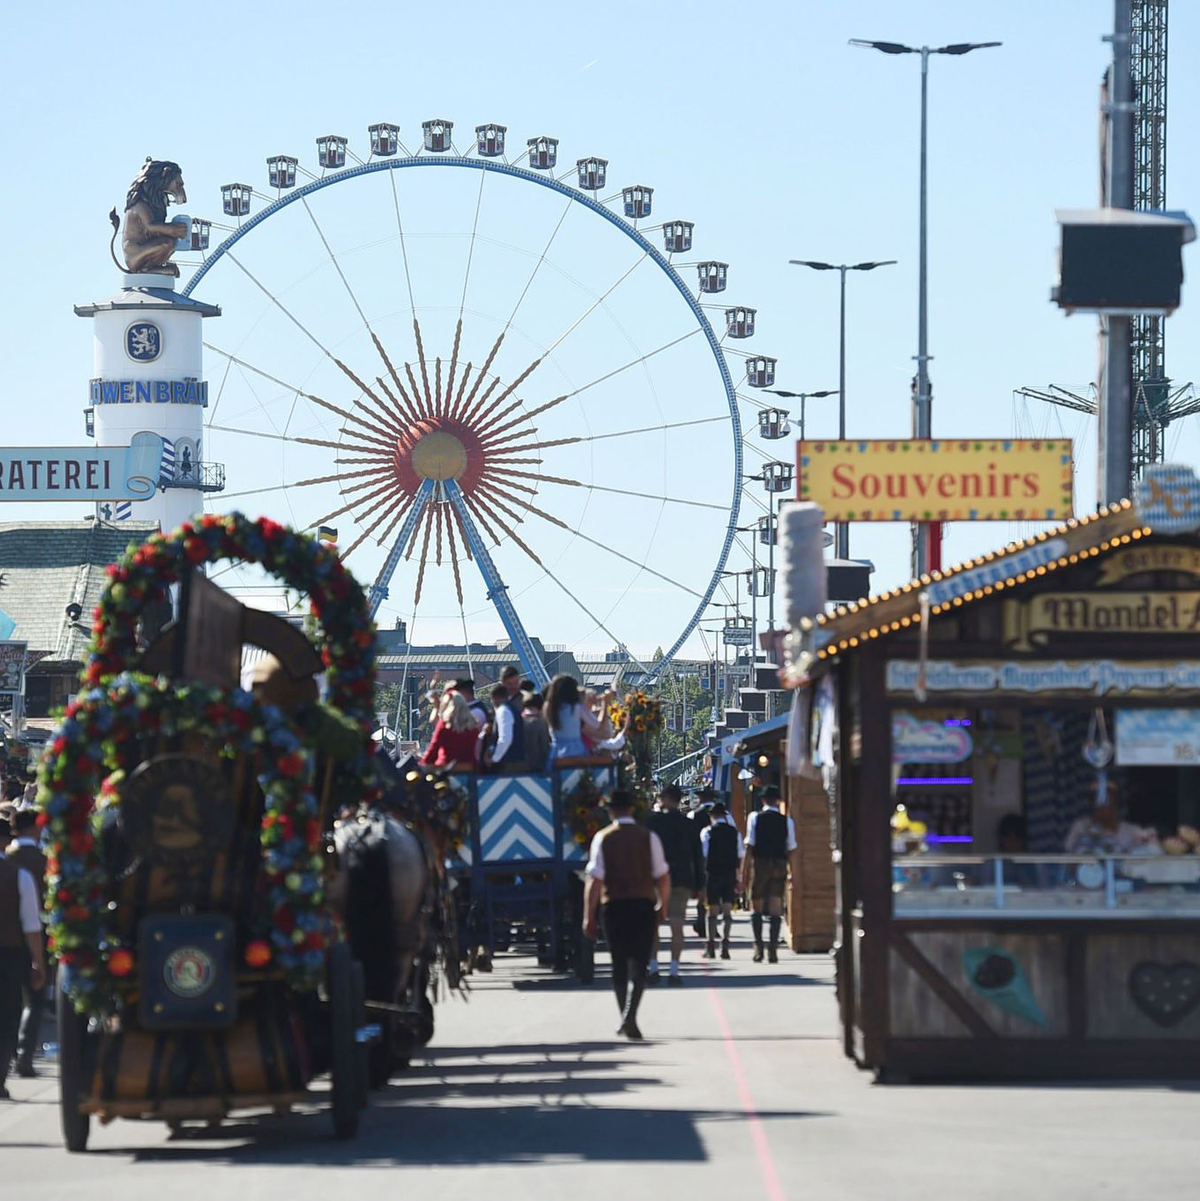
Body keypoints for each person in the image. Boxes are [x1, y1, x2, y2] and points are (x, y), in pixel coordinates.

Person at [583, 789, 669, 1040]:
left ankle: (626, 1017)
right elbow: (662, 875)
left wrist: (589, 914)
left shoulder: (603, 837)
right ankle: (630, 1018)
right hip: (643, 905)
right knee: (639, 962)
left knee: (618, 962)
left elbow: (594, 880)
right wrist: (662, 905)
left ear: (610, 811)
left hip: (614, 906)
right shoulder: (648, 837)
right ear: (632, 809)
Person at [645, 784, 705, 986]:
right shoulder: (689, 825)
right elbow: (698, 857)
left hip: (655, 878)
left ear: (667, 798)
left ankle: (653, 968)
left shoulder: (651, 823)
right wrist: (699, 884)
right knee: (677, 924)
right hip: (682, 879)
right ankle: (674, 971)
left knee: (653, 924)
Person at [0, 844, 46, 1099]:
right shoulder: (19, 875)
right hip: (9, 954)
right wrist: (38, 961)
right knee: (7, 1017)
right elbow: (31, 924)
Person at [742, 785, 797, 963]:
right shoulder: (786, 821)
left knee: (756, 904)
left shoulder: (755, 817)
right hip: (779, 864)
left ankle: (759, 947)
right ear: (778, 800)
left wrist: (743, 873)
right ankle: (773, 949)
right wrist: (792, 873)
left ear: (763, 800)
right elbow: (791, 848)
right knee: (775, 904)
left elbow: (750, 845)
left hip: (760, 863)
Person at [701, 801, 744, 959]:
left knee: (712, 911)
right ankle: (725, 945)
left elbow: (704, 855)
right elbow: (740, 855)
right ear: (724, 816)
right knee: (727, 909)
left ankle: (710, 945)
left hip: (713, 874)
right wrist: (739, 877)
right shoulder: (734, 833)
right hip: (729, 874)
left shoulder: (707, 832)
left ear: (712, 816)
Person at [1065, 778, 1147, 854]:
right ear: (1092, 804)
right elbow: (1069, 854)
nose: (1105, 808)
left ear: (1117, 804)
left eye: (1110, 803)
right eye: (1101, 803)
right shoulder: (1081, 827)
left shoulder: (1133, 831)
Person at [545, 674, 606, 760]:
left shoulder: (549, 707)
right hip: (576, 751)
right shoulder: (576, 707)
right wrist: (604, 704)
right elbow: (597, 725)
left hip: (556, 751)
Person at [420, 691, 481, 771]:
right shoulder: (473, 725)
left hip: (446, 768)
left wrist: (423, 763)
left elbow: (434, 748)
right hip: (469, 768)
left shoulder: (444, 725)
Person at [482, 683, 526, 773]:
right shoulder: (513, 709)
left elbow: (505, 738)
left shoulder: (503, 711)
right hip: (516, 759)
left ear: (495, 698)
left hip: (508, 763)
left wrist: (495, 759)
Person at [521, 692, 551, 773]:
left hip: (520, 765)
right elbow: (544, 746)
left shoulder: (518, 720)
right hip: (538, 765)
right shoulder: (541, 723)